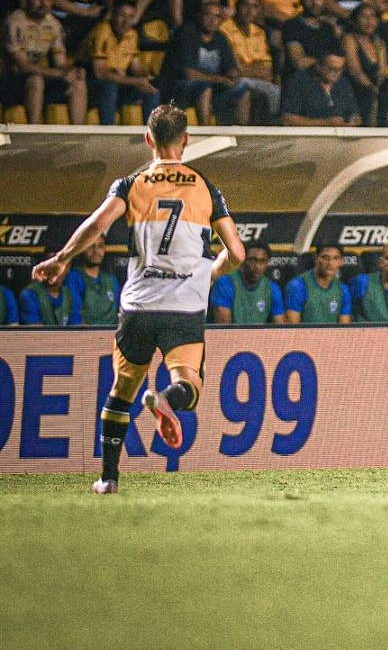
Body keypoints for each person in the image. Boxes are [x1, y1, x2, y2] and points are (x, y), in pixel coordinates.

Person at [31, 103, 245, 493]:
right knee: (190, 386)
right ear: (186, 141)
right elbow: (237, 253)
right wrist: (207, 274)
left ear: (149, 139)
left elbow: (98, 224)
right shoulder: (206, 187)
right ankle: (165, 397)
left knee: (121, 391)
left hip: (138, 305)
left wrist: (62, 259)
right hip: (184, 308)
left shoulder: (131, 184)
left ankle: (108, 479)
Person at [2, 0, 88, 125]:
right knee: (36, 80)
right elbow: (23, 67)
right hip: (9, 80)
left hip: (37, 78)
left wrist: (72, 70)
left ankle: (77, 137)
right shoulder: (14, 22)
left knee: (78, 80)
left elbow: (59, 63)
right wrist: (59, 73)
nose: (43, 3)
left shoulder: (54, 24)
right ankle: (35, 133)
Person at [158, 0, 250, 126]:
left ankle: (242, 133)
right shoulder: (186, 33)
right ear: (200, 16)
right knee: (204, 87)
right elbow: (188, 74)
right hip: (178, 89)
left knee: (243, 88)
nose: (212, 20)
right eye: (208, 15)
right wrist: (221, 80)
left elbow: (231, 68)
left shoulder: (221, 38)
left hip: (211, 89)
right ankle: (206, 132)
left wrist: (233, 74)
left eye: (217, 16)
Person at [82, 0, 159, 125]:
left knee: (152, 91)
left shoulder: (132, 34)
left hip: (120, 82)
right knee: (110, 86)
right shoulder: (102, 31)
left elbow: (136, 68)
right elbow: (100, 73)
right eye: (121, 15)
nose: (126, 21)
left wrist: (145, 78)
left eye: (130, 17)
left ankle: (152, 136)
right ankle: (109, 133)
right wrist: (134, 80)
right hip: (93, 85)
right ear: (112, 15)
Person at [209, 239, 283, 324]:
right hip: (230, 336)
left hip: (259, 337)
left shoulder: (272, 289)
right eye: (252, 260)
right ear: (243, 261)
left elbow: (280, 328)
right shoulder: (225, 284)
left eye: (262, 261)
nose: (257, 266)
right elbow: (223, 328)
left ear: (267, 263)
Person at [280, 50, 361, 127]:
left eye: (340, 69)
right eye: (332, 69)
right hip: (306, 138)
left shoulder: (343, 83)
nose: (337, 73)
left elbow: (354, 112)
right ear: (318, 66)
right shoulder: (299, 82)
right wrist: (326, 123)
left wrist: (354, 120)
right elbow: (288, 119)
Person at [284, 244, 351, 323]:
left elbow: (345, 328)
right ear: (316, 259)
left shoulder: (343, 289)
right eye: (325, 258)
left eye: (335, 258)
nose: (330, 263)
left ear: (341, 262)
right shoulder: (297, 285)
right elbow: (292, 329)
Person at [64, 234, 120, 326]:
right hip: (87, 336)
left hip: (112, 335)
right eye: (90, 246)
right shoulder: (74, 277)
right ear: (82, 248)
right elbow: (75, 316)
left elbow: (118, 313)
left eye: (100, 246)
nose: (96, 251)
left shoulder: (111, 280)